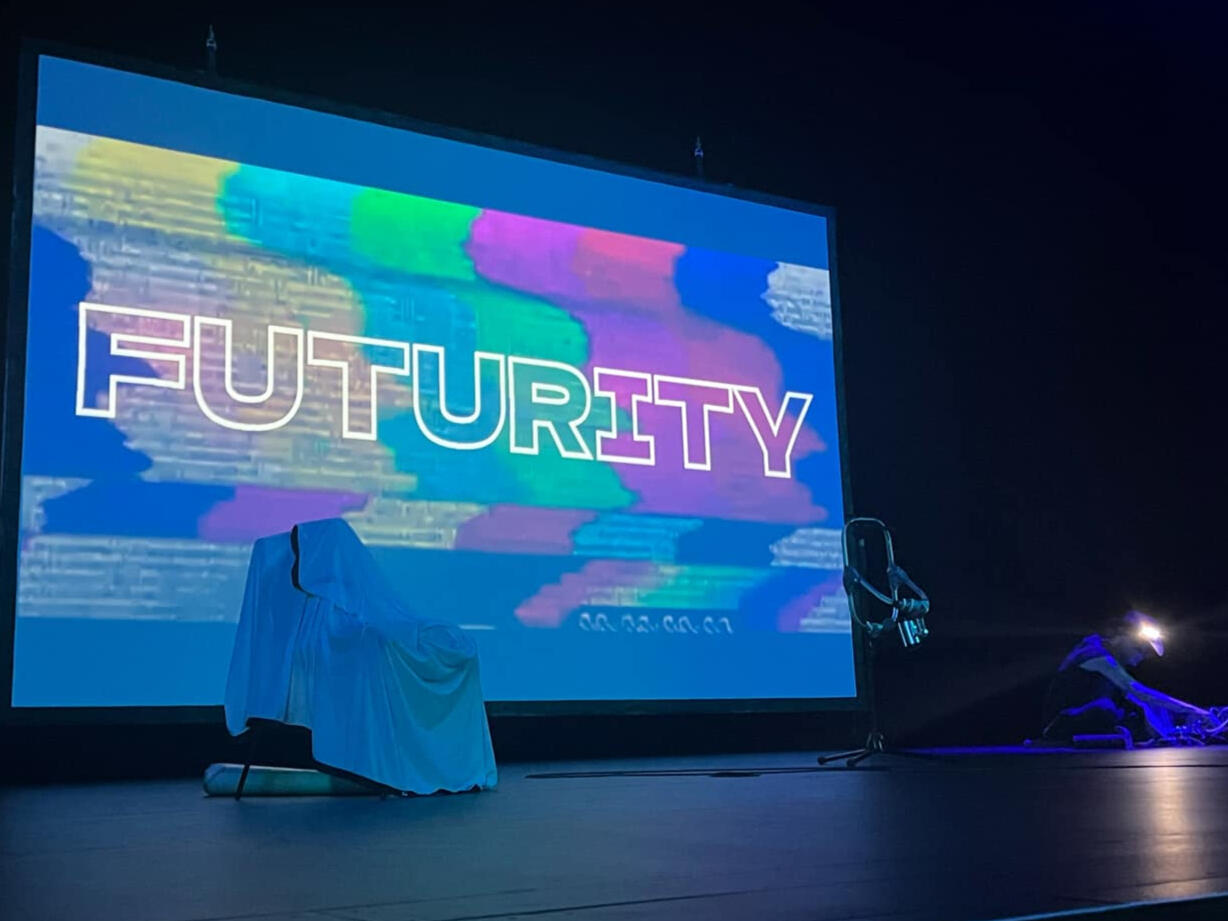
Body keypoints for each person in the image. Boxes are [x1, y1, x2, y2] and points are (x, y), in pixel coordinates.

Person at [1042, 611, 1211, 745]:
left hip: (1085, 716)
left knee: (1143, 711)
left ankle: (1203, 724)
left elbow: (1140, 701)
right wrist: (1194, 710)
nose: (1142, 656)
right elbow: (1138, 691)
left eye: (1147, 653)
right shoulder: (1094, 654)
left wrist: (1169, 727)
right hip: (1060, 723)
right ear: (1121, 634)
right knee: (1106, 708)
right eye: (1140, 648)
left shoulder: (1109, 660)